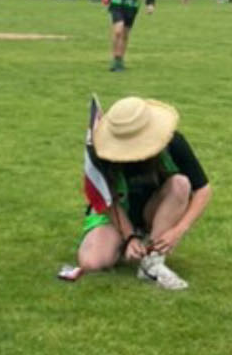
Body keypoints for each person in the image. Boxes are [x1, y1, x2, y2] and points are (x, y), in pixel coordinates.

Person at [70, 97, 208, 290]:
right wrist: (129, 237)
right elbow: (107, 199)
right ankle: (130, 243)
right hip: (117, 211)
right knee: (92, 263)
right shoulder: (101, 151)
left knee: (181, 184)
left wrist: (178, 230)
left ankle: (152, 260)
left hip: (154, 208)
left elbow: (203, 190)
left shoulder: (174, 142)